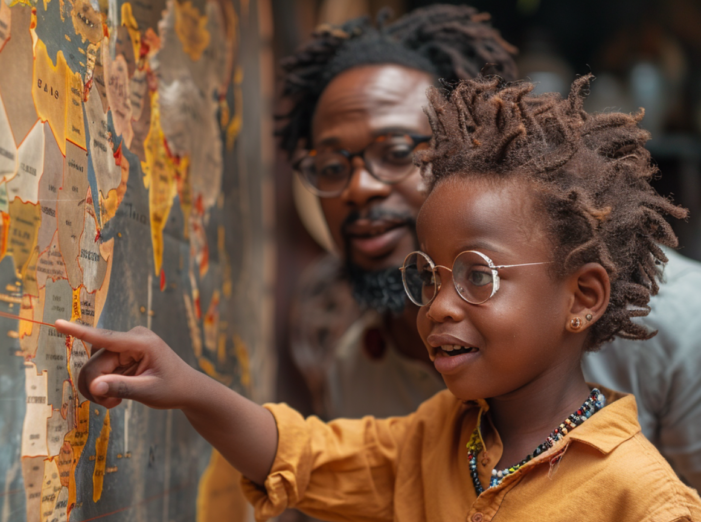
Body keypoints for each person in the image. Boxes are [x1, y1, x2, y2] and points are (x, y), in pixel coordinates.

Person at [56, 75, 701, 522]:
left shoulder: (643, 507)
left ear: (582, 297)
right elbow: (300, 456)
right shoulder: (436, 441)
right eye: (429, 276)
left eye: (479, 275)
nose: (440, 306)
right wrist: (186, 384)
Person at [281, 6, 701, 493]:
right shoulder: (358, 378)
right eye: (332, 166)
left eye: (397, 153)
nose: (359, 188)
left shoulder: (674, 324)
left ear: (473, 155)